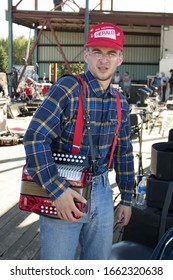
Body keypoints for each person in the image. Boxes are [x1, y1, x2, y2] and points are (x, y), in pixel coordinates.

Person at [23, 22, 135, 260]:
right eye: (97, 52)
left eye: (111, 54)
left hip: (104, 193)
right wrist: (57, 190)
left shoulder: (120, 102)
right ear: (86, 55)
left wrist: (126, 198)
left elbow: (124, 152)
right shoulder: (68, 88)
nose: (103, 61)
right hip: (65, 189)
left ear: (120, 59)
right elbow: (35, 138)